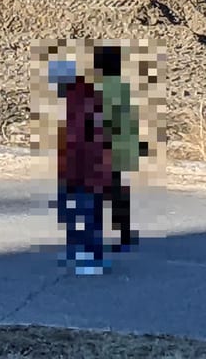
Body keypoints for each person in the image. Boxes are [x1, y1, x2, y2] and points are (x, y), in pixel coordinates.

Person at [48, 58, 113, 275]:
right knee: (71, 211)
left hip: (86, 170)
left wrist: (72, 170)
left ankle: (92, 259)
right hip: (77, 168)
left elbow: (81, 142)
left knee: (87, 213)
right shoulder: (76, 99)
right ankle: (76, 250)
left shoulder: (82, 102)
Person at [94, 44, 144, 252]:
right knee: (117, 191)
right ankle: (123, 232)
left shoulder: (99, 89)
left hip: (104, 147)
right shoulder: (123, 89)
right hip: (121, 148)